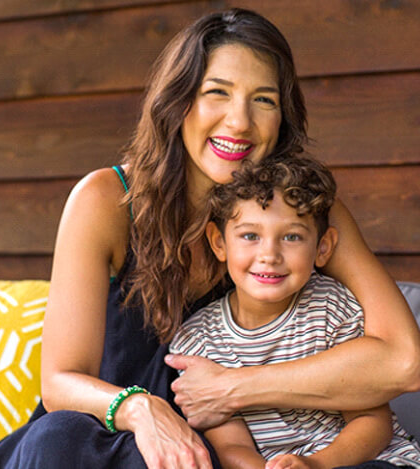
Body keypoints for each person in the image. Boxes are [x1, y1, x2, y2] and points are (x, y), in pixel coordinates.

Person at [0, 8, 420, 469]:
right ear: (179, 102)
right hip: (111, 434)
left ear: (282, 118)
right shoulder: (106, 200)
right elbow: (60, 382)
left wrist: (235, 387)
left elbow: (405, 361)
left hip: (226, 452)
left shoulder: (303, 214)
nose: (239, 122)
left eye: (264, 100)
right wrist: (141, 409)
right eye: (217, 93)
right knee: (57, 438)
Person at [170, 154, 420, 469]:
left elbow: (373, 422)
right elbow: (230, 444)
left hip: (367, 460)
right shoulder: (199, 341)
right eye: (250, 236)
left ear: (323, 247)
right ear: (219, 242)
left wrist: (313, 465)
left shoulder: (334, 309)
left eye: (291, 237)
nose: (269, 255)